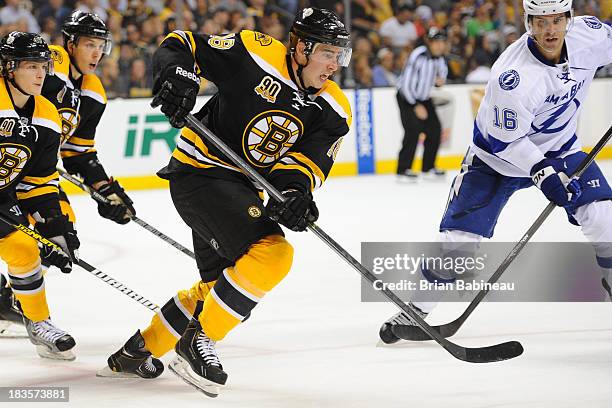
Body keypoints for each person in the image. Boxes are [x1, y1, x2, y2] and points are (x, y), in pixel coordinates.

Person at [99, 7, 352, 396]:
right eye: (328, 53)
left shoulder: (333, 109)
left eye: (340, 55)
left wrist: (295, 195)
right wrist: (177, 76)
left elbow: (305, 163)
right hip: (199, 173)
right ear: (301, 47)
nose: (335, 65)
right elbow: (182, 44)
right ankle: (197, 342)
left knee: (222, 289)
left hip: (240, 189)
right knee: (273, 255)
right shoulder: (255, 52)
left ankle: (140, 350)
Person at [379, 0, 612, 343]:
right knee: (457, 244)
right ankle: (415, 311)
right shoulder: (513, 77)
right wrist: (543, 174)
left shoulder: (590, 37)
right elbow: (506, 142)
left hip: (562, 150)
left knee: (604, 216)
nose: (549, 30)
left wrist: (550, 167)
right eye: (540, 22)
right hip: (495, 161)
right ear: (527, 22)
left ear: (569, 19)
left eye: (557, 20)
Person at [0, 11, 136, 332]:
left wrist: (106, 188)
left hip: (34, 170)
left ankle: (13, 296)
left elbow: (78, 151)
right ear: (71, 43)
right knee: (21, 235)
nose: (96, 53)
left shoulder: (94, 93)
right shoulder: (55, 60)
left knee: (60, 228)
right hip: (11, 162)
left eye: (101, 45)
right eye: (89, 44)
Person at [0, 32, 80, 359]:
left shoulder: (47, 115)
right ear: (9, 68)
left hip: (3, 198)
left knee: (24, 248)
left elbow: (39, 181)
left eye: (42, 66)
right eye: (31, 66)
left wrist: (55, 227)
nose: (39, 74)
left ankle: (37, 322)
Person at [396, 27, 448, 182]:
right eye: (436, 42)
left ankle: (427, 168)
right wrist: (415, 105)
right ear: (429, 42)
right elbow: (406, 84)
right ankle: (403, 170)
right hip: (407, 97)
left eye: (442, 42)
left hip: (424, 98)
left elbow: (441, 76)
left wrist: (440, 81)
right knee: (412, 131)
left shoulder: (440, 58)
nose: (439, 45)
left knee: (435, 130)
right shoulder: (418, 55)